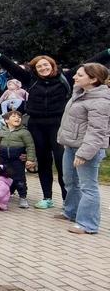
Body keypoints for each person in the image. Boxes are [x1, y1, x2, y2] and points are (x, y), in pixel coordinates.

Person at [0, 36, 110, 209]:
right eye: (39, 66)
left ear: (52, 65)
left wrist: (107, 52)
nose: (43, 68)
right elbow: (12, 67)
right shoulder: (30, 79)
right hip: (37, 125)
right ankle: (47, 197)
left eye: (46, 65)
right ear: (35, 69)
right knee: (43, 162)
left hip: (59, 124)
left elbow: (90, 63)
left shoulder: (66, 77)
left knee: (62, 163)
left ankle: (67, 200)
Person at [56, 63, 110, 234]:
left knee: (88, 187)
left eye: (80, 75)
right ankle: (70, 211)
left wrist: (84, 154)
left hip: (87, 150)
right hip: (71, 145)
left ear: (93, 79)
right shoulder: (80, 94)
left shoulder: (100, 102)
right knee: (70, 181)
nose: (74, 77)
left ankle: (88, 224)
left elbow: (97, 131)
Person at [0, 110, 36, 208]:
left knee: (19, 178)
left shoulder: (24, 132)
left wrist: (30, 159)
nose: (17, 118)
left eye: (19, 117)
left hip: (17, 159)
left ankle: (23, 197)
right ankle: (7, 193)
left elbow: (30, 146)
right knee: (5, 177)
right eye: (14, 116)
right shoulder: (2, 131)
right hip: (4, 158)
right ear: (6, 120)